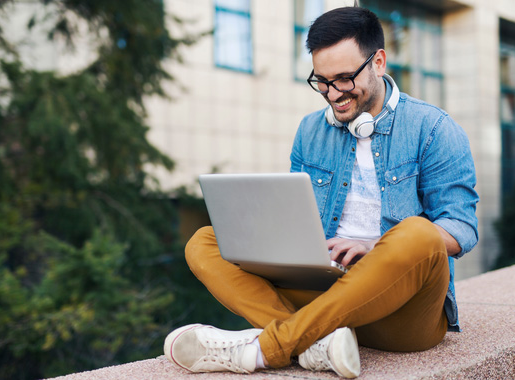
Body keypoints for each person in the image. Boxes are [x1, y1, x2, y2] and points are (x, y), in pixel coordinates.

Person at [163, 6, 479, 378]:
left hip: (403, 314)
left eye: (345, 78)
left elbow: (462, 229)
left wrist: (378, 246)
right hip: (326, 293)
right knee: (204, 241)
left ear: (378, 62)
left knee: (417, 232)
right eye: (323, 81)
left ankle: (266, 348)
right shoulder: (310, 131)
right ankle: (316, 345)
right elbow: (299, 219)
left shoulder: (434, 128)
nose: (333, 93)